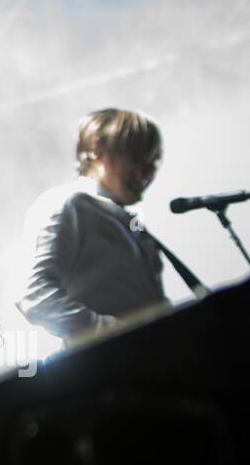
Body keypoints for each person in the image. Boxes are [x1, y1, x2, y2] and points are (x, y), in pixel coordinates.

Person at [18, 108, 170, 343]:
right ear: (97, 148)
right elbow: (37, 297)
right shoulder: (69, 203)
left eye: (154, 160)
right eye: (138, 155)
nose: (148, 170)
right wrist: (118, 336)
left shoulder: (133, 225)